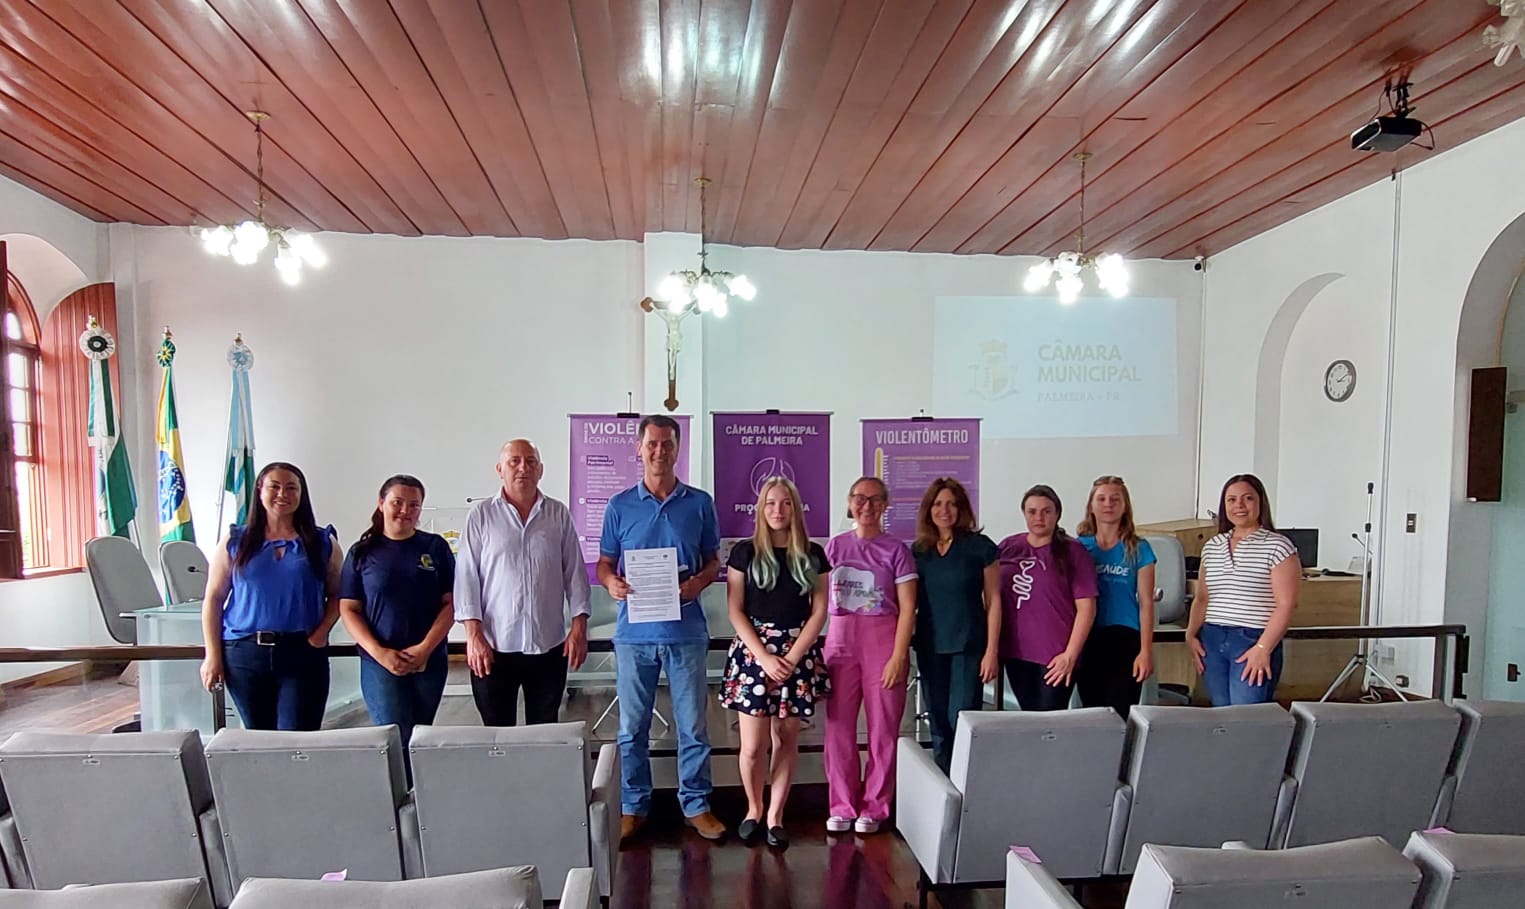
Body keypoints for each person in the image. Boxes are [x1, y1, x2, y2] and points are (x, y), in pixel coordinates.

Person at [598, 415, 726, 842]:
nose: (659, 451)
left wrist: (699, 582)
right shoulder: (619, 506)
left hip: (686, 632)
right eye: (651, 444)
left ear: (677, 449)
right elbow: (604, 563)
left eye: (667, 444)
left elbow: (714, 561)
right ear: (639, 448)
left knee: (693, 727)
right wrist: (611, 583)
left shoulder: (700, 503)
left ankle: (697, 804)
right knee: (631, 729)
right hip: (634, 636)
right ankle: (633, 806)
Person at [719, 476, 830, 849]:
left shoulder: (813, 554)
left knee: (785, 738)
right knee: (752, 746)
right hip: (754, 653)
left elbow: (819, 612)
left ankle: (776, 816)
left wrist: (792, 657)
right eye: (770, 503)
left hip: (797, 653)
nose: (777, 510)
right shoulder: (744, 553)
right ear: (760, 509)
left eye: (785, 503)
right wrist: (765, 657)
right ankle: (753, 808)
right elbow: (735, 610)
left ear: (795, 508)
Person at [455, 439, 590, 727]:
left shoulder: (558, 514)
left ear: (540, 470)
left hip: (548, 645)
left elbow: (575, 574)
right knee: (496, 733)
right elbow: (466, 578)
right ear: (499, 469)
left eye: (530, 461)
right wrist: (473, 636)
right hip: (493, 647)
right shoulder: (481, 516)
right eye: (514, 461)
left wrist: (579, 626)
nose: (523, 468)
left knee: (544, 731)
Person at [199, 462, 341, 730]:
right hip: (244, 653)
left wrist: (321, 633)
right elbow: (214, 599)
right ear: (260, 491)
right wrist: (212, 655)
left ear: (301, 494)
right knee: (258, 738)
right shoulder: (235, 541)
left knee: (298, 736)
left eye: (291, 488)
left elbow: (338, 596)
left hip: (302, 651)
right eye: (274, 487)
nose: (282, 494)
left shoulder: (321, 542)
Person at [823, 476, 917, 835]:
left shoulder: (897, 550)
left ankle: (876, 806)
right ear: (850, 503)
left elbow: (908, 608)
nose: (867, 506)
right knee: (838, 728)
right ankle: (842, 804)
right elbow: (816, 598)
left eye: (876, 499)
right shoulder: (834, 547)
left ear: (885, 505)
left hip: (883, 641)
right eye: (860, 498)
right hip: (840, 641)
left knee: (883, 728)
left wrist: (898, 656)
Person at [337, 475, 455, 749]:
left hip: (428, 660)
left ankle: (416, 780)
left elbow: (451, 604)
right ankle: (395, 781)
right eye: (397, 502)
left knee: (420, 739)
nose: (405, 510)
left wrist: (424, 649)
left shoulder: (435, 547)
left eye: (414, 505)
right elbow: (348, 608)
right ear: (381, 503)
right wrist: (379, 653)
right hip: (379, 662)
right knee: (393, 737)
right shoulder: (361, 552)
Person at [910, 477, 1000, 773]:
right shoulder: (920, 551)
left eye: (951, 504)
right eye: (937, 504)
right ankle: (944, 785)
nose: (944, 510)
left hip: (968, 646)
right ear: (928, 509)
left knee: (961, 717)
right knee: (938, 721)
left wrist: (992, 651)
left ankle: (967, 782)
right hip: (930, 645)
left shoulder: (980, 547)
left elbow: (994, 601)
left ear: (962, 508)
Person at [1186, 474, 1300, 706]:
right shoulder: (1212, 546)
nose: (1239, 505)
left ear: (1260, 502)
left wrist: (1263, 648)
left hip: (1252, 638)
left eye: (1247, 498)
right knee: (1221, 712)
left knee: (1247, 715)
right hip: (1213, 638)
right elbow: (1202, 598)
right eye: (1231, 500)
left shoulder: (1277, 545)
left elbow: (1286, 604)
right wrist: (1190, 634)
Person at [996, 485, 1097, 712]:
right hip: (1017, 653)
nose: (1039, 517)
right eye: (1032, 511)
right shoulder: (1008, 547)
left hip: (1055, 656)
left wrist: (1070, 655)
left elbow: (1087, 608)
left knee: (1049, 722)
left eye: (1046, 511)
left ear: (1057, 514)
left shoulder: (1073, 552)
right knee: (1029, 717)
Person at [1074, 476, 1157, 718]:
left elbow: (1146, 603)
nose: (1108, 504)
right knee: (1093, 712)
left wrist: (1146, 651)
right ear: (1091, 506)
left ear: (1125, 506)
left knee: (1120, 711)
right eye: (1101, 499)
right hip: (1089, 636)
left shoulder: (1140, 548)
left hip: (1126, 637)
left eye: (1115, 499)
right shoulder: (1079, 548)